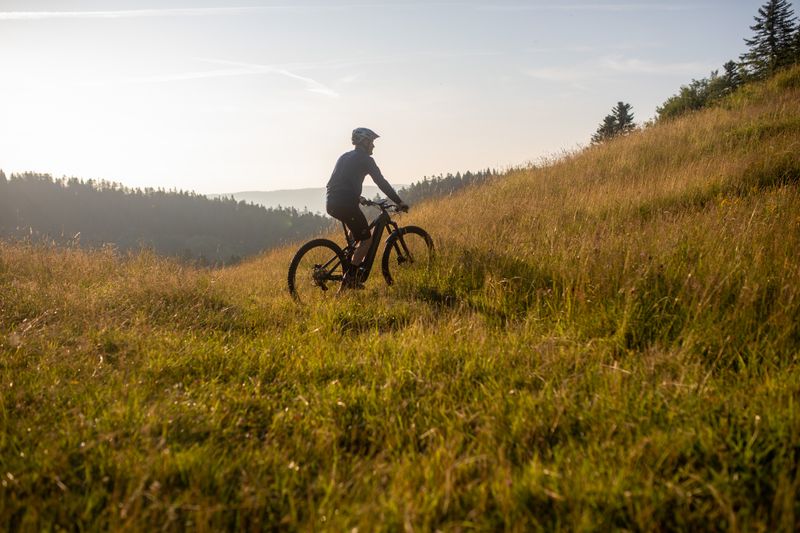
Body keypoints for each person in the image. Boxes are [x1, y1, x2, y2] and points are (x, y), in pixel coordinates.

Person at [326, 127, 409, 289]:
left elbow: (336, 183)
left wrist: (357, 197)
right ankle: (351, 279)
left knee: (356, 235)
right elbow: (381, 182)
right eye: (371, 141)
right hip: (346, 203)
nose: (373, 145)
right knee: (366, 240)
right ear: (363, 142)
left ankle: (348, 266)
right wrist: (399, 202)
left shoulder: (343, 157)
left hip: (332, 202)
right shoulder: (366, 159)